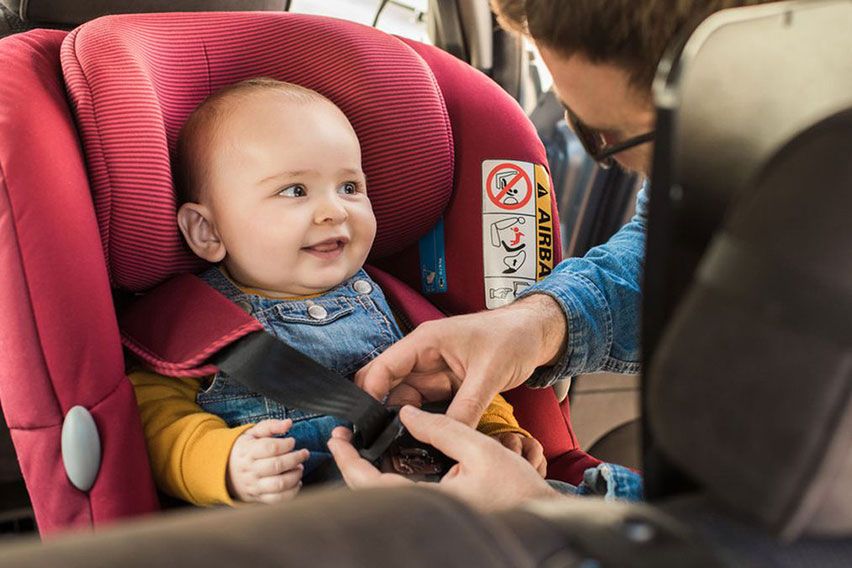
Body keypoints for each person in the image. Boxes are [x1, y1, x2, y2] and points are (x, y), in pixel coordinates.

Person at [329, 0, 776, 507]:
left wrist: (546, 517)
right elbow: (671, 243)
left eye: (613, 134)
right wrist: (540, 323)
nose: (607, 156)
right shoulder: (732, 153)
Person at [128, 78, 545, 507]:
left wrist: (496, 431)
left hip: (444, 500)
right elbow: (157, 422)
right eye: (294, 191)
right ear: (208, 230)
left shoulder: (395, 303)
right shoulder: (193, 326)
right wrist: (227, 463)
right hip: (311, 526)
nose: (334, 211)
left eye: (349, 187)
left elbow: (460, 376)